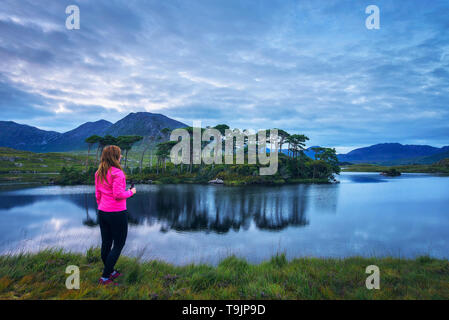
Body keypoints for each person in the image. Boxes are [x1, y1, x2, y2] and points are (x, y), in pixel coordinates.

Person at [95, 145, 136, 285]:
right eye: (120, 154)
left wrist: (102, 207)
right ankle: (105, 277)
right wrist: (131, 192)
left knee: (106, 243)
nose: (122, 156)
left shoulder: (99, 173)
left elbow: (98, 195)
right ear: (115, 157)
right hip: (117, 213)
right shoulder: (118, 173)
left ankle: (110, 271)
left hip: (103, 212)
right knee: (119, 244)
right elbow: (118, 195)